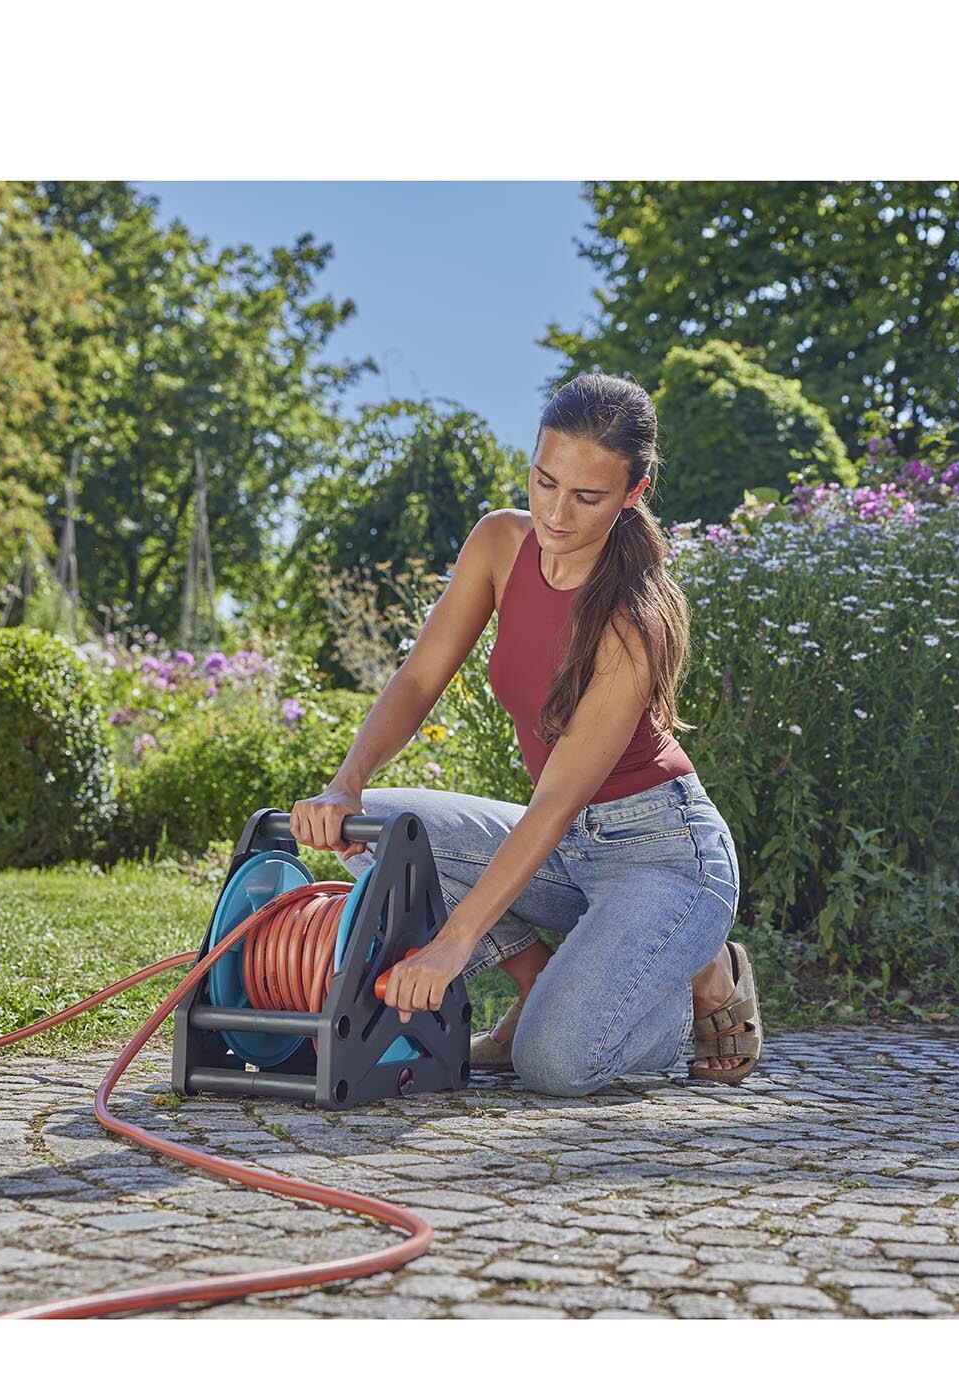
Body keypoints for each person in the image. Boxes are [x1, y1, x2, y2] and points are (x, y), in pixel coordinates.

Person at [289, 371, 760, 1096]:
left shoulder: (634, 620)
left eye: (588, 497)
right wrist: (345, 780)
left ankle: (700, 973)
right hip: (567, 849)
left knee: (556, 1065)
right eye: (545, 482)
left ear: (633, 494)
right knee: (372, 828)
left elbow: (555, 801)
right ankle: (541, 985)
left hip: (661, 856)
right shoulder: (499, 544)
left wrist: (453, 944)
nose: (557, 513)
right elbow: (419, 679)